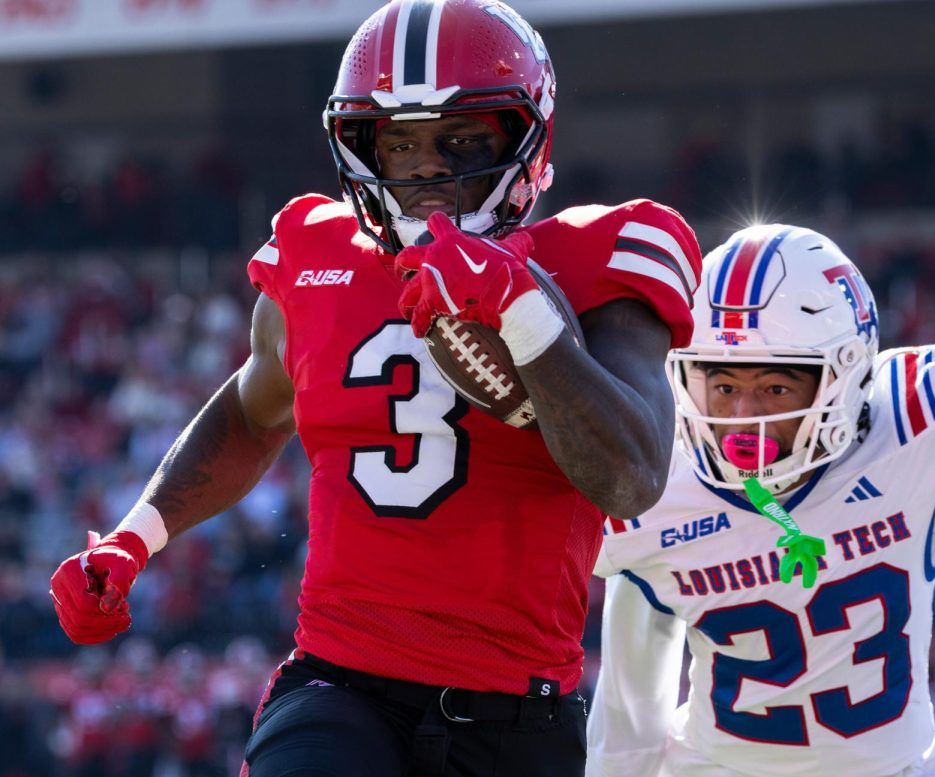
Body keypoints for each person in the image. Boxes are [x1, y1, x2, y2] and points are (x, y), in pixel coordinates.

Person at [48, 2, 702, 775]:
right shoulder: (317, 254)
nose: (426, 166)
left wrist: (520, 304)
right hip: (338, 684)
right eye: (398, 140)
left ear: (525, 136)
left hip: (516, 711)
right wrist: (137, 534)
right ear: (361, 145)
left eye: (461, 138)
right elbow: (254, 413)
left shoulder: (600, 258)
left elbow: (629, 475)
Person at [586, 85, 935, 776]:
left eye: (775, 385)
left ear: (844, 375)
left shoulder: (914, 424)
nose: (741, 415)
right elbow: (620, 706)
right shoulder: (653, 480)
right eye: (722, 384)